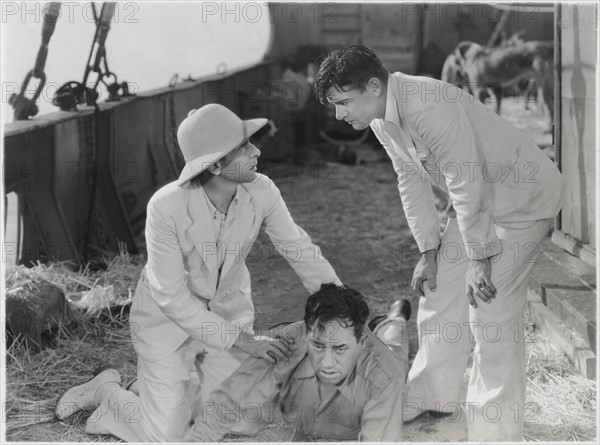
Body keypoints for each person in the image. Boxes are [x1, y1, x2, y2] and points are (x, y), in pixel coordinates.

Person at [313, 45, 563, 441]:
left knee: (490, 306)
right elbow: (409, 179)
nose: (340, 114)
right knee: (440, 286)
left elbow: (466, 180)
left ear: (374, 86)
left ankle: (495, 430)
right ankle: (432, 395)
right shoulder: (382, 118)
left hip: (521, 201)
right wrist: (429, 251)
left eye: (344, 103)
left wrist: (480, 257)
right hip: (482, 203)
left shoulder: (427, 104)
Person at [54, 103, 341, 442]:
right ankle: (110, 393)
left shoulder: (261, 190)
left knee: (246, 420)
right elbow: (170, 296)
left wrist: (342, 304)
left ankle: (155, 390)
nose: (257, 150)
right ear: (216, 165)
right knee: (168, 438)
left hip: (228, 313)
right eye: (245, 147)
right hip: (167, 325)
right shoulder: (166, 206)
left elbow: (298, 248)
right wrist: (243, 341)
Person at [184, 283, 408, 442]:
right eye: (318, 345)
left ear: (360, 341)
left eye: (339, 349)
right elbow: (235, 395)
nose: (327, 363)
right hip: (300, 413)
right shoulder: (293, 339)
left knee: (393, 347)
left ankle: (394, 320)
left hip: (350, 426)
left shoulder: (385, 376)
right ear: (308, 331)